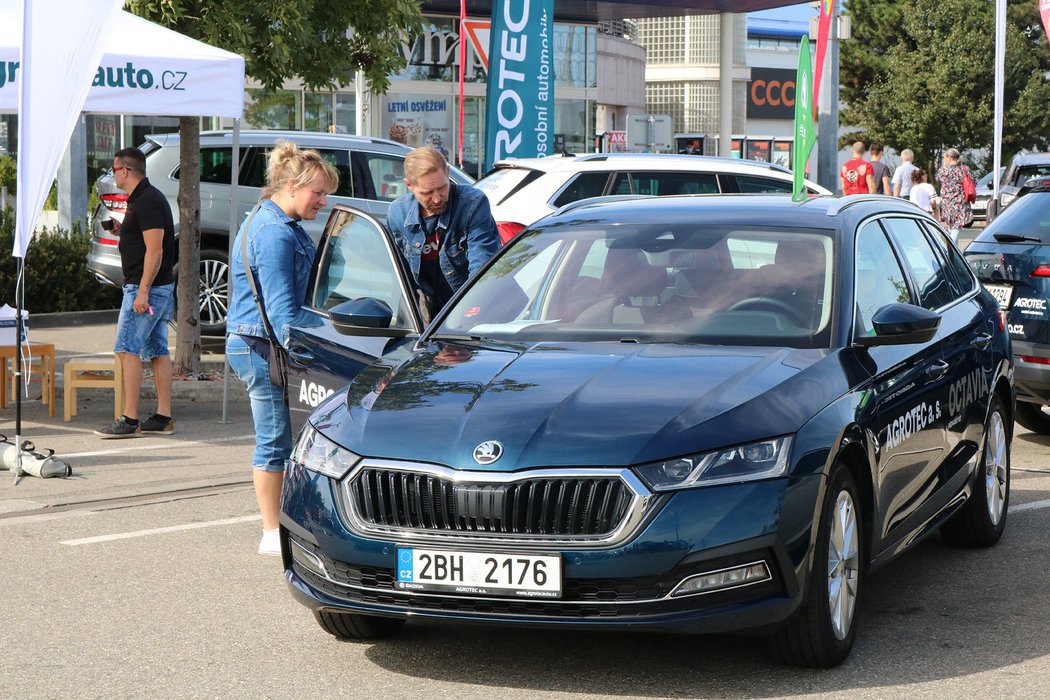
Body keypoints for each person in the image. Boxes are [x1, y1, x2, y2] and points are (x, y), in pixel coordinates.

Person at [225, 140, 339, 556]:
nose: (323, 202)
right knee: (275, 440)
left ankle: (285, 524)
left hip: (256, 342)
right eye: (318, 193)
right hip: (263, 346)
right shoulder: (274, 232)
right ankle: (273, 533)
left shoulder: (270, 219)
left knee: (284, 438)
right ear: (292, 185)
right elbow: (282, 312)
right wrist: (318, 351)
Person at [94, 148, 176, 439]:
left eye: (114, 169)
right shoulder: (144, 199)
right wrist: (121, 231)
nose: (112, 174)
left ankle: (129, 419)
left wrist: (142, 291)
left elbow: (156, 249)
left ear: (125, 171)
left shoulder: (146, 201)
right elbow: (144, 240)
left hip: (147, 289)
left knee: (127, 350)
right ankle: (163, 417)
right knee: (157, 351)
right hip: (158, 288)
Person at [387, 146, 500, 316]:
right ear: (409, 185)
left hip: (474, 305)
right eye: (427, 192)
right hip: (429, 312)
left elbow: (482, 266)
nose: (437, 198)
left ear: (447, 173)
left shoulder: (472, 204)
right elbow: (402, 277)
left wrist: (470, 312)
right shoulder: (398, 214)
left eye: (442, 188)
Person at [936, 147, 975, 243]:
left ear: (949, 158)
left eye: (945, 157)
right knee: (956, 227)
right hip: (960, 202)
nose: (944, 159)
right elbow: (973, 182)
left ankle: (952, 248)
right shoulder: (964, 169)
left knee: (951, 226)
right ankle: (951, 247)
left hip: (946, 202)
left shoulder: (942, 170)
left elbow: (938, 180)